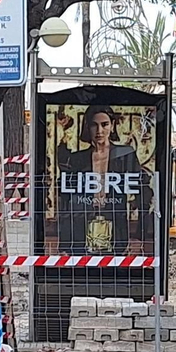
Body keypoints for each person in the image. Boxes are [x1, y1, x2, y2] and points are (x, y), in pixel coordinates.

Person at [56, 105, 149, 254]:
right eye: (94, 125)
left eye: (104, 124)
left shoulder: (125, 155)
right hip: (81, 227)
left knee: (116, 272)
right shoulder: (77, 159)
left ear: (112, 126)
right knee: (82, 274)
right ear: (87, 128)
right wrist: (65, 244)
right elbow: (66, 200)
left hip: (117, 226)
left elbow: (142, 193)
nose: (99, 131)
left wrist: (139, 236)